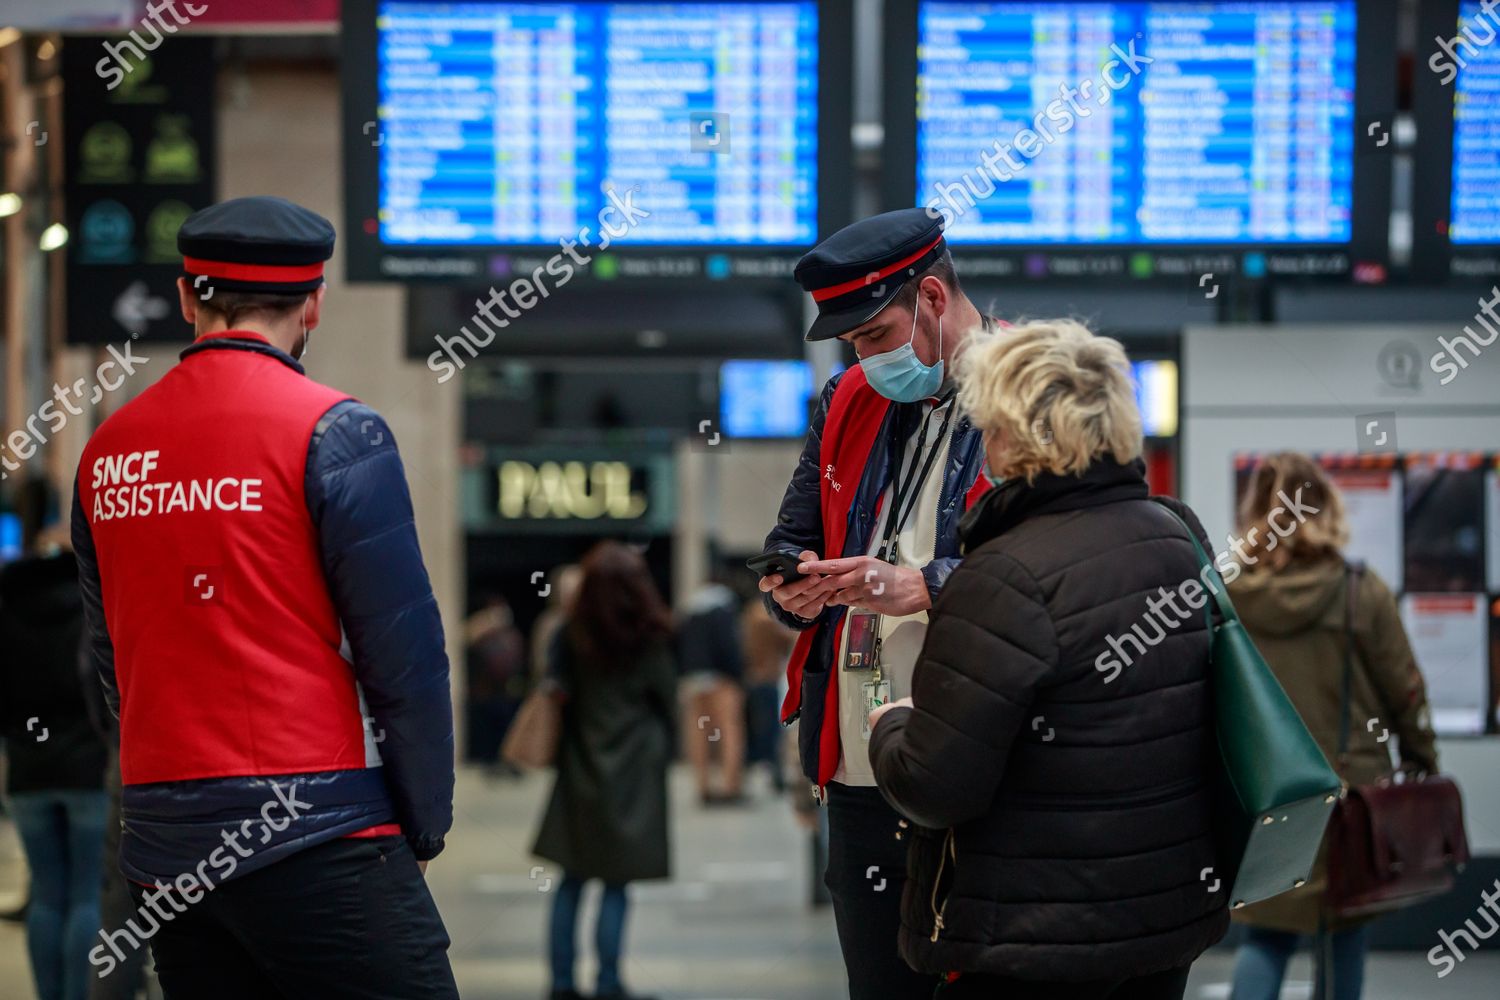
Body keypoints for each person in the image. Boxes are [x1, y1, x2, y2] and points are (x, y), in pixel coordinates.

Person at [70, 196, 457, 998]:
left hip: (167, 853)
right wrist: (423, 818)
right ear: (314, 302)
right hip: (322, 829)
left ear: (186, 298)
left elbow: (107, 656)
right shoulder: (338, 433)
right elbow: (404, 656)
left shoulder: (105, 452)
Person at [868, 319, 1229, 999]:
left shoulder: (1003, 575)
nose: (986, 445)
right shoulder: (1179, 538)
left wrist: (891, 724)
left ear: (1016, 436)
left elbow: (937, 785)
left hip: (1031, 935)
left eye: (990, 427)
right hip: (1163, 919)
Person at [756, 207, 998, 999]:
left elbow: (1065, 572)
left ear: (932, 298)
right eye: (851, 343)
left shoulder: (1029, 398)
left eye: (872, 335)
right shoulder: (846, 401)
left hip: (981, 770)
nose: (863, 358)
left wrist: (925, 584)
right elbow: (793, 537)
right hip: (859, 771)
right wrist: (794, 589)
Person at [1226, 453, 1439, 1000]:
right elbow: (1405, 692)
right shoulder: (1360, 592)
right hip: (1351, 798)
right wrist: (1422, 759)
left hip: (1266, 797)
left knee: (1266, 935)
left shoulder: (1230, 596)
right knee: (1344, 933)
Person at [532, 541, 675, 1000]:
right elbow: (667, 698)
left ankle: (560, 983)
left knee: (571, 877)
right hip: (634, 765)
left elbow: (555, 690)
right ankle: (609, 982)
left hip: (580, 763)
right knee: (617, 882)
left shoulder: (571, 633)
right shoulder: (650, 634)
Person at [0, 526, 108, 1000]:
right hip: (89, 769)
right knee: (86, 896)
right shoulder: (93, 610)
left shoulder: (7, 611)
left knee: (47, 898)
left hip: (28, 772)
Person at [677, 577, 748, 804]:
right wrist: (738, 676)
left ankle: (703, 785)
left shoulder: (689, 611)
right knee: (728, 731)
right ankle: (730, 786)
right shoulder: (723, 608)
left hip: (694, 682)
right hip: (721, 681)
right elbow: (729, 646)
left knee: (700, 731)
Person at [464, 593, 527, 772]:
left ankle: (508, 760)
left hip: (507, 691)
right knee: (487, 731)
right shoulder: (479, 630)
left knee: (508, 728)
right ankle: (489, 761)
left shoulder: (510, 635)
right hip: (484, 692)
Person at [741, 598, 796, 791]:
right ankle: (776, 773)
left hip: (752, 677)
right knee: (772, 729)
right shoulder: (766, 620)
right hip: (768, 678)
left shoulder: (747, 619)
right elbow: (787, 642)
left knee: (755, 728)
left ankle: (751, 772)